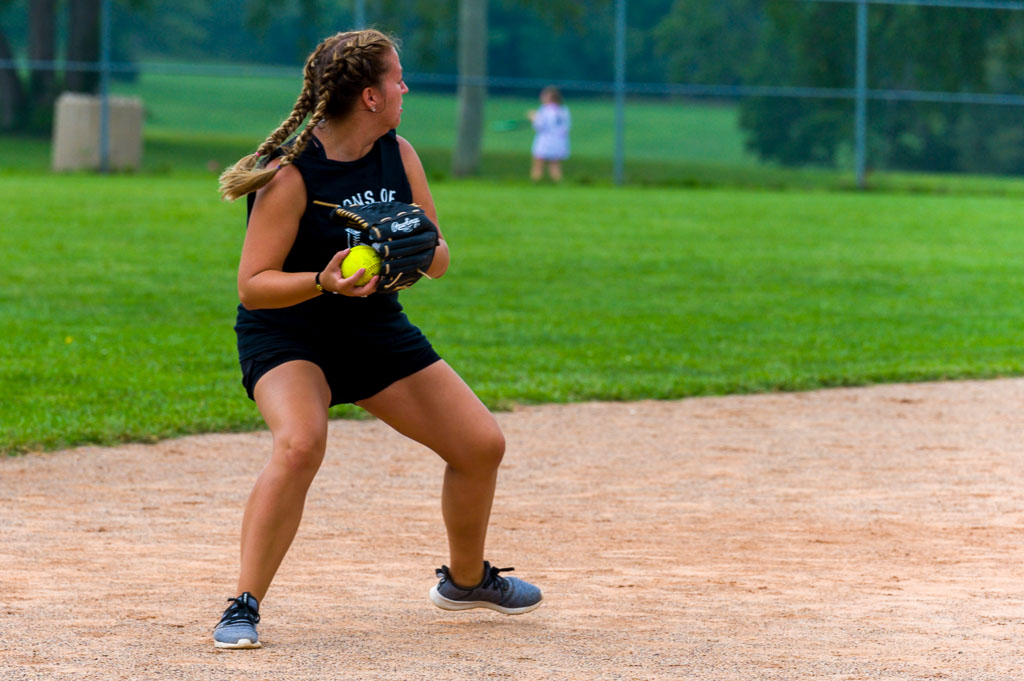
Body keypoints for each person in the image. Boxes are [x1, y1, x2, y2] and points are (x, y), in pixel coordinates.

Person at [213, 29, 543, 650]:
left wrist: (416, 251)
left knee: (479, 445)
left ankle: (466, 581)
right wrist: (323, 279)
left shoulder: (399, 154)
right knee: (300, 444)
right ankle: (243, 603)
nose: (404, 88)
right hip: (290, 334)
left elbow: (439, 257)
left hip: (373, 330)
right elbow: (253, 286)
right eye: (397, 79)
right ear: (369, 96)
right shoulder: (291, 174)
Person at [528, 86, 571, 182]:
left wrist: (533, 118)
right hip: (560, 141)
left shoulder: (545, 110)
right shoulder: (563, 110)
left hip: (545, 141)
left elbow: (539, 126)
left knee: (538, 164)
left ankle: (535, 182)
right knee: (555, 165)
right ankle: (559, 184)